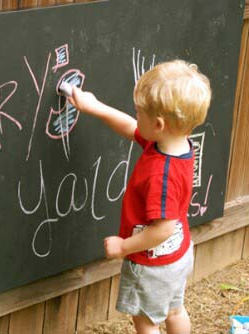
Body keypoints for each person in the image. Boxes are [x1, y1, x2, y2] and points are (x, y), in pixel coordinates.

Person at [68, 60, 211, 334]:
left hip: (153, 265)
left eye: (139, 112)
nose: (136, 116)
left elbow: (163, 229)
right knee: (175, 310)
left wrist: (123, 247)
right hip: (179, 256)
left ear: (158, 124)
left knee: (146, 323)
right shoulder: (177, 143)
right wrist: (94, 106)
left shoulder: (161, 174)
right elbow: (130, 126)